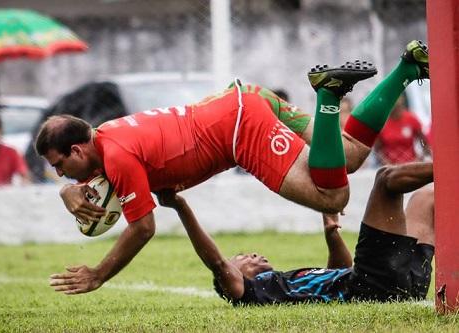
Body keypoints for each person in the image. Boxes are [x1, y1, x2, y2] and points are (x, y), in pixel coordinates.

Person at [44, 40, 429, 295]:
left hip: (238, 130)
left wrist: (98, 274)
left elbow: (143, 228)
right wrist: (66, 192)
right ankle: (408, 68)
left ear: (77, 150)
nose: (60, 174)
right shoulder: (104, 136)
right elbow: (97, 169)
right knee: (348, 155)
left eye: (60, 166)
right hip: (243, 101)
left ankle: (328, 95)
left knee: (332, 193)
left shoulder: (116, 158)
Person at [156, 161, 434, 304]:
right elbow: (215, 262)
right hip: (375, 288)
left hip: (402, 286)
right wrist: (180, 207)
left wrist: (332, 236)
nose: (252, 254)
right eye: (240, 258)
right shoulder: (252, 294)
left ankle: (448, 166)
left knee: (426, 198)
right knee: (385, 179)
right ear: (231, 280)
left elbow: (339, 274)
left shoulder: (288, 282)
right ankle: (451, 158)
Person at [374, 94, 431, 165]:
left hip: (411, 165)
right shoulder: (381, 123)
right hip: (391, 168)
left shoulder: (411, 118)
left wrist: (420, 158)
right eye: (393, 109)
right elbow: (377, 150)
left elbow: (424, 142)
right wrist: (386, 163)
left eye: (399, 107)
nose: (397, 112)